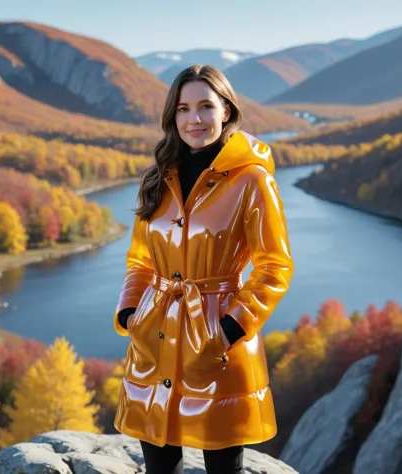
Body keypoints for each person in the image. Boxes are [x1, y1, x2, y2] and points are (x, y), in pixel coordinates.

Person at [113, 64, 294, 474]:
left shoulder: (252, 181)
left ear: (226, 111)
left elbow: (275, 266)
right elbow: (140, 259)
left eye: (205, 107)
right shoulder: (157, 177)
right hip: (154, 334)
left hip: (219, 339)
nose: (194, 119)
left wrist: (228, 330)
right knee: (159, 463)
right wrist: (130, 313)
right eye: (183, 108)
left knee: (222, 466)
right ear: (172, 116)